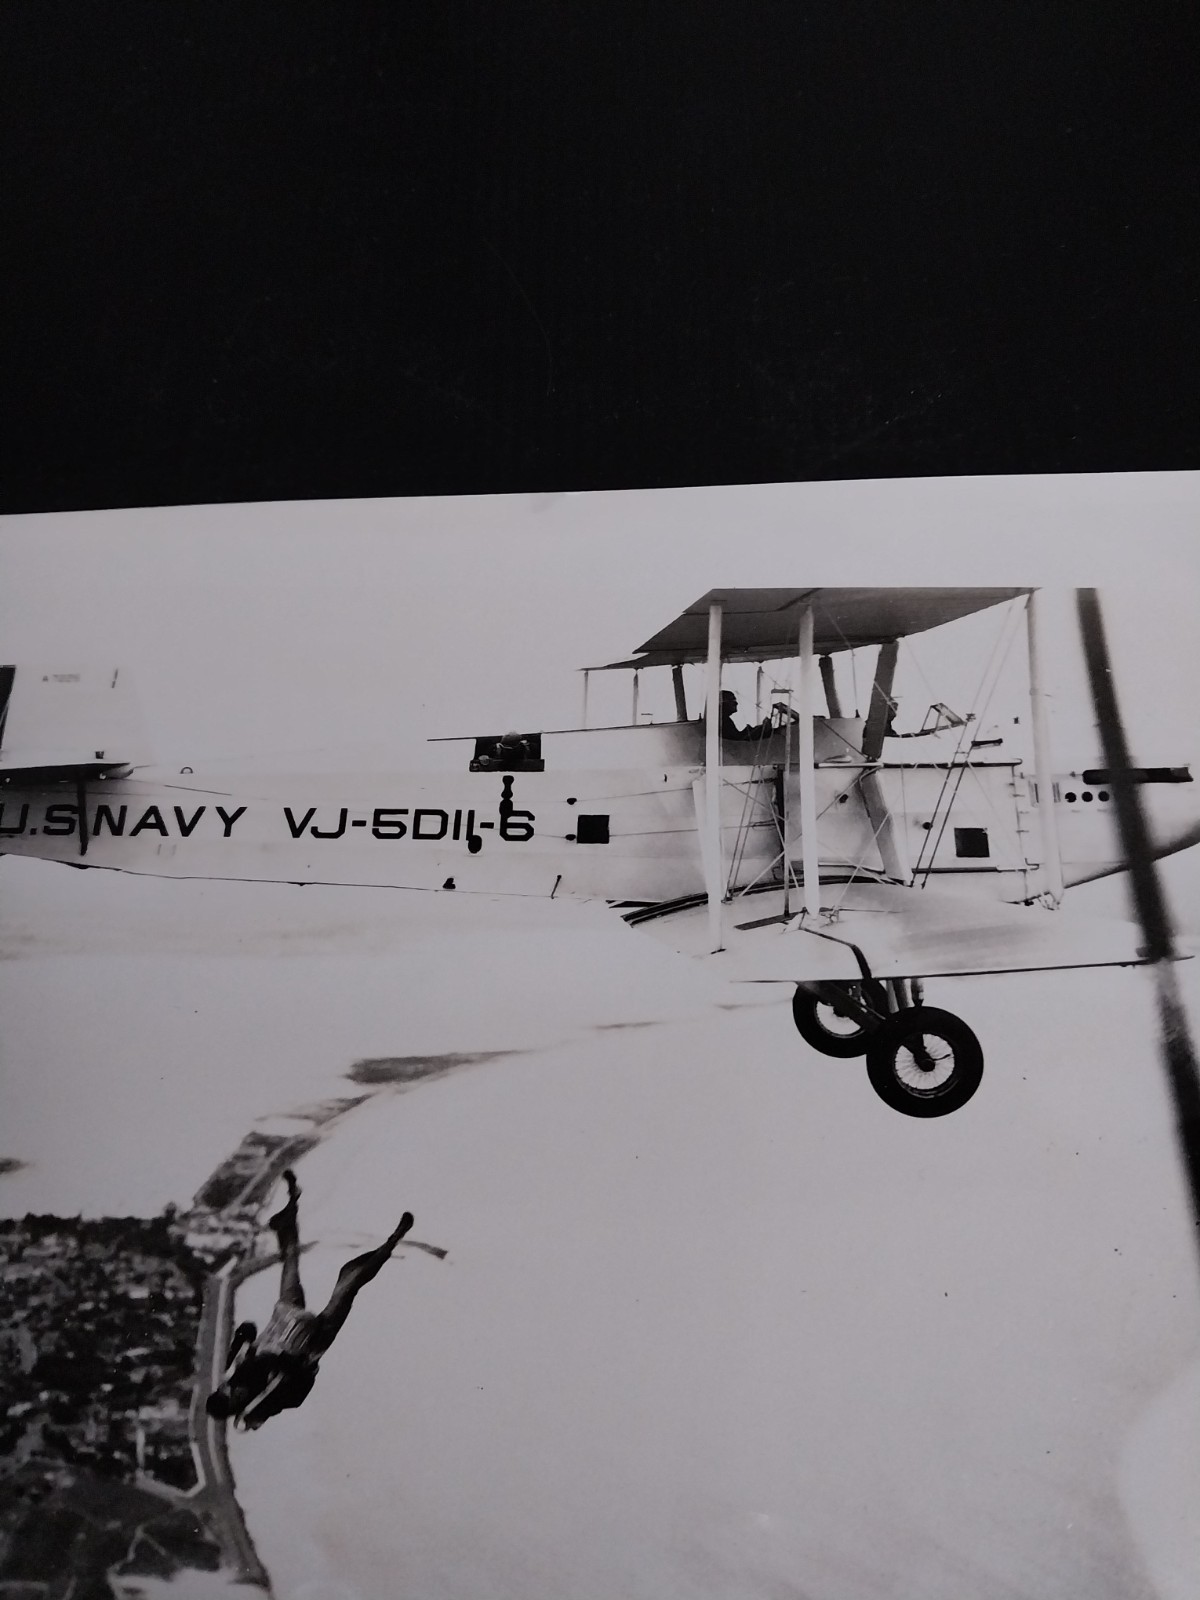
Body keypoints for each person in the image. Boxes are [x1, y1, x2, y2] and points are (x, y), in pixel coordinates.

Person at [205, 1171, 414, 1430]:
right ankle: (392, 1241)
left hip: (284, 1323)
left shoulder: (232, 1375)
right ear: (235, 1405)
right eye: (232, 1397)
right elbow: (298, 1395)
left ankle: (293, 1202)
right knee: (347, 1286)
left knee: (291, 1260)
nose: (232, 1390)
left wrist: (240, 1343)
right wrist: (289, 1368)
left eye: (226, 1390)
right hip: (311, 1343)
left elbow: (247, 1329)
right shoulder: (260, 1405)